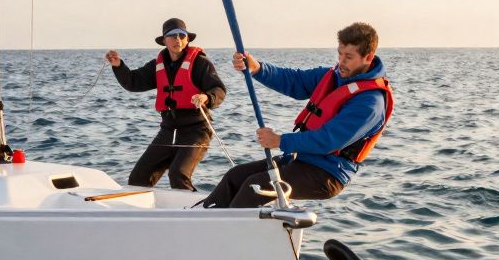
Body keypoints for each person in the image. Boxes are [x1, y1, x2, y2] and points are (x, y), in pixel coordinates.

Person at [202, 22, 393, 209]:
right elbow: (295, 81)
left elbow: (328, 140)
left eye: (348, 57)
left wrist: (280, 141)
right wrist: (257, 68)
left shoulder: (370, 103)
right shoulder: (334, 76)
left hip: (327, 174)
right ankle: (204, 222)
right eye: (340, 54)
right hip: (302, 160)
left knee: (255, 187)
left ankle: (228, 237)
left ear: (368, 57)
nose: (341, 62)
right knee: (235, 177)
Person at [105, 17, 226, 191]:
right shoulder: (157, 65)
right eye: (172, 36)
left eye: (182, 35)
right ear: (164, 40)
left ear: (187, 39)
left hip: (197, 130)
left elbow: (219, 89)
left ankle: (191, 214)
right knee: (138, 177)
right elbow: (133, 82)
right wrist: (118, 66)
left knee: (178, 174)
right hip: (169, 130)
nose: (178, 39)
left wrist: (206, 97)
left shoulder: (200, 63)